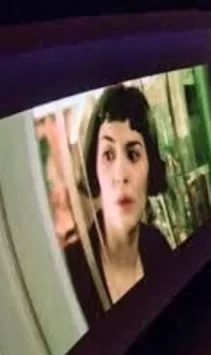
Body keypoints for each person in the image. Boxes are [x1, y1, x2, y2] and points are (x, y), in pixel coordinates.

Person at [65, 85, 173, 324]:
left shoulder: (159, 248)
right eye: (108, 155)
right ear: (93, 168)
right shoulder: (71, 270)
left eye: (133, 154)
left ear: (150, 167)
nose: (120, 175)